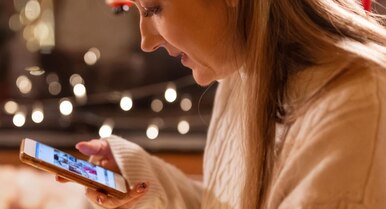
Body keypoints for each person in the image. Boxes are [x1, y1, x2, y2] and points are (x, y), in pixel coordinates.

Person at [57, 0, 386, 208]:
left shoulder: (356, 110)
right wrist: (141, 178)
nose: (146, 41)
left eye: (154, 8)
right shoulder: (244, 77)